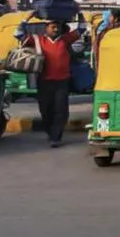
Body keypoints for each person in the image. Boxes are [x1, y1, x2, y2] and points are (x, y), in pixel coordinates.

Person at [20, 19, 84, 148]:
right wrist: (25, 20)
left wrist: (80, 15)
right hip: (44, 81)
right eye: (53, 27)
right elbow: (18, 34)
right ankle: (51, 132)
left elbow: (81, 29)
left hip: (62, 82)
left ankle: (56, 137)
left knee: (61, 110)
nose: (56, 29)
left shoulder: (65, 40)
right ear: (46, 28)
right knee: (45, 109)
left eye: (57, 27)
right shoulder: (38, 40)